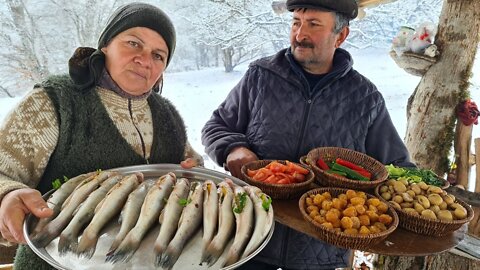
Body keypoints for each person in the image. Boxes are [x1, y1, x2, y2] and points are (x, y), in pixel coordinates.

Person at [201, 0, 415, 269]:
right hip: (248, 237)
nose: (300, 35)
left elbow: (396, 167)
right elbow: (216, 126)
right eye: (296, 23)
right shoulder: (261, 76)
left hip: (320, 253)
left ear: (341, 35)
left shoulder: (365, 98)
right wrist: (233, 149)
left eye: (313, 25)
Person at [0, 2, 202, 269]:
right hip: (55, 262)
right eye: (133, 43)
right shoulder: (55, 102)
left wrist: (194, 171)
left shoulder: (168, 115)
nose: (144, 60)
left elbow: (190, 167)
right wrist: (8, 194)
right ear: (105, 45)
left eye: (158, 55)